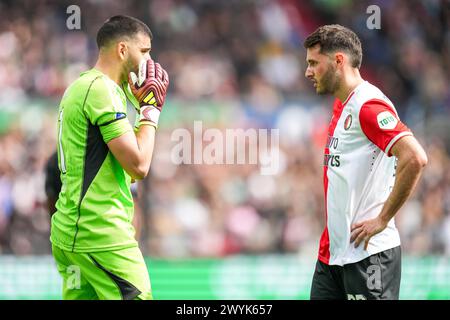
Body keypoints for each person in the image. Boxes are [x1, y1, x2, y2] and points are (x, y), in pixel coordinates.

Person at [304, 25, 428, 300]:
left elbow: (415, 157)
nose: (308, 72)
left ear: (338, 60)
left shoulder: (367, 106)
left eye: (314, 63)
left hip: (369, 255)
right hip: (332, 256)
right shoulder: (342, 103)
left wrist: (383, 218)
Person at [50, 15, 169, 300]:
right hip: (100, 233)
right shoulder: (101, 90)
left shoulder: (85, 87)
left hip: (73, 231)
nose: (149, 61)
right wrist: (150, 111)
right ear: (122, 50)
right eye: (145, 51)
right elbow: (139, 166)